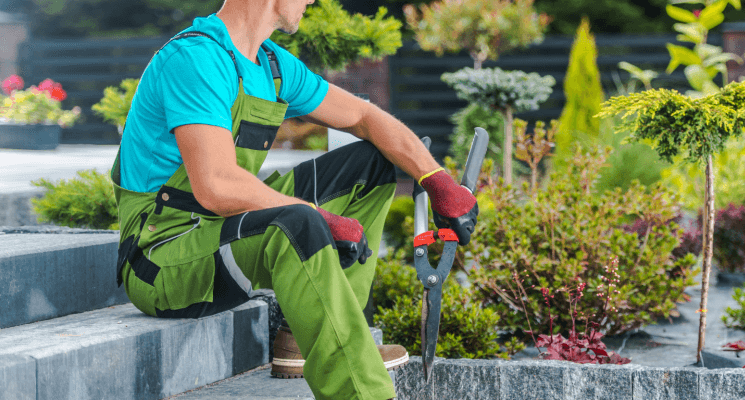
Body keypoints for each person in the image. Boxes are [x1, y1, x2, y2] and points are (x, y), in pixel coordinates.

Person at [109, 0, 479, 399]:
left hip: (221, 228)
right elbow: (215, 185)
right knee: (298, 222)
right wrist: (316, 215)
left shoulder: (271, 65)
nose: (311, 1)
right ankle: (361, 390)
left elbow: (364, 118)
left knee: (370, 164)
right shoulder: (195, 59)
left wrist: (436, 179)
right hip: (163, 259)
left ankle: (320, 337)